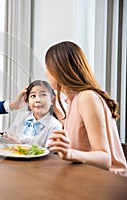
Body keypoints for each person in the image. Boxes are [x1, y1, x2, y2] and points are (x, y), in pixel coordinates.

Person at [45, 41, 127, 173]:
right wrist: (56, 110)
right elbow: (80, 131)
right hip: (87, 176)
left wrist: (70, 154)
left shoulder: (87, 98)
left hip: (109, 182)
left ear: (59, 70)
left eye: (47, 67)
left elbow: (104, 158)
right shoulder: (75, 99)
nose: (45, 73)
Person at [3, 80, 62, 147]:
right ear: (27, 101)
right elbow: (8, 138)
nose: (38, 100)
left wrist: (19, 145)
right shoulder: (21, 116)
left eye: (43, 95)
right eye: (33, 96)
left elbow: (48, 154)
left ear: (52, 100)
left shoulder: (55, 126)